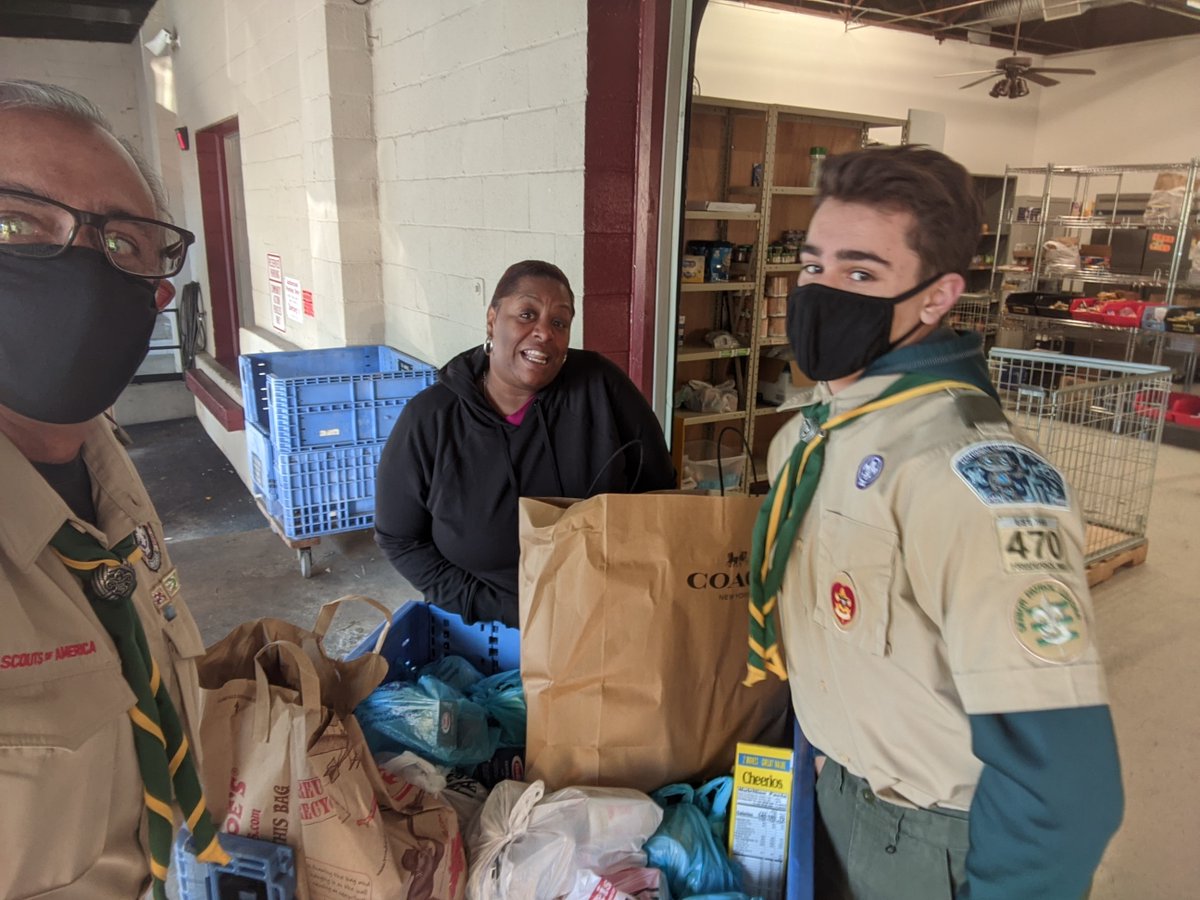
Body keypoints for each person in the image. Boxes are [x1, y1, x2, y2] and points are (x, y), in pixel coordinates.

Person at [745, 145, 1123, 899]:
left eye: (861, 274)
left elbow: (1064, 784)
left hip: (928, 840)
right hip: (828, 790)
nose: (821, 292)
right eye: (814, 266)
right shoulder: (810, 436)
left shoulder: (970, 478)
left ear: (937, 297)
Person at [0, 81, 227, 898]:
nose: (86, 267)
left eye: (124, 243)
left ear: (158, 295)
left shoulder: (106, 465)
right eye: (16, 224)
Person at [375, 260, 675, 627]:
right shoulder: (431, 419)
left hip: (603, 617)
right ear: (492, 320)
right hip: (486, 627)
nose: (544, 332)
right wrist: (493, 606)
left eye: (559, 322)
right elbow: (399, 539)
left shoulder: (601, 388)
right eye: (527, 314)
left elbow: (659, 494)